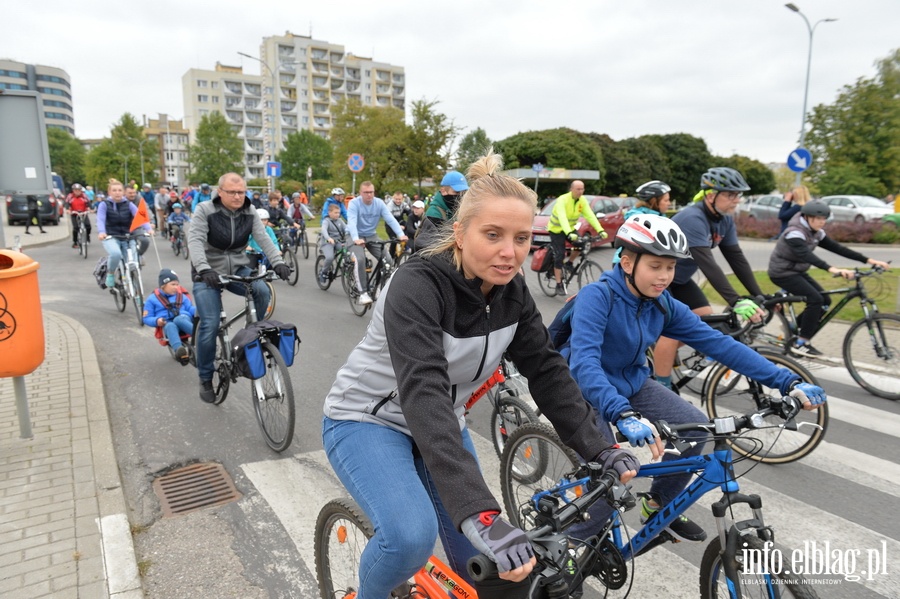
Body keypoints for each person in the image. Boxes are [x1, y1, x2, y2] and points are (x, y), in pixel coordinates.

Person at [322, 150, 639, 599]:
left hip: (442, 424)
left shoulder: (511, 290)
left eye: (522, 238)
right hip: (367, 420)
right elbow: (424, 391)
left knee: (495, 572)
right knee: (411, 538)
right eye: (493, 235)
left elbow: (546, 370)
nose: (509, 253)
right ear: (459, 232)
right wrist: (479, 512)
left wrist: (599, 446)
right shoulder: (417, 285)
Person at [563, 214, 827, 542]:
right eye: (655, 266)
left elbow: (719, 344)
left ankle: (658, 505)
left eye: (670, 267)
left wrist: (787, 381)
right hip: (584, 392)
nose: (664, 276)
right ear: (628, 262)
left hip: (631, 384)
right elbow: (585, 365)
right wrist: (623, 413)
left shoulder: (661, 304)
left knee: (696, 431)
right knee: (614, 472)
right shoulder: (597, 297)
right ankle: (569, 548)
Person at [652, 167, 766, 390]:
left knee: (706, 319)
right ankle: (662, 388)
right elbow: (709, 265)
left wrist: (758, 294)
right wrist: (735, 300)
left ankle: (660, 353)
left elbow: (736, 258)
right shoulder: (692, 218)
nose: (736, 200)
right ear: (711, 195)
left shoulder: (724, 220)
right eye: (730, 195)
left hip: (680, 278)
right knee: (673, 333)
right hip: (659, 279)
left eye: (738, 195)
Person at [188, 172, 292, 404]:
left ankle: (248, 337)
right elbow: (194, 241)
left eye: (241, 192)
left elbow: (263, 237)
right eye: (232, 192)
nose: (238, 196)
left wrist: (278, 262)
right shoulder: (205, 210)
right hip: (207, 272)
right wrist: (204, 269)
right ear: (220, 192)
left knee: (262, 290)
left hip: (237, 267)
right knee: (210, 324)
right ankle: (205, 377)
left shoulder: (249, 210)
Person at [768, 201, 891, 356]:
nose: (822, 222)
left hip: (797, 271)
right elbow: (806, 255)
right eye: (818, 218)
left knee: (825, 300)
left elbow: (838, 248)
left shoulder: (817, 232)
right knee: (815, 299)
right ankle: (801, 343)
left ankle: (794, 326)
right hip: (781, 273)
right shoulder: (794, 232)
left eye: (824, 218)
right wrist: (832, 269)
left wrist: (869, 260)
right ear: (807, 217)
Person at [347, 181, 408, 305]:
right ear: (360, 193)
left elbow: (390, 219)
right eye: (366, 192)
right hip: (354, 235)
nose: (369, 195)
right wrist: (356, 238)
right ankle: (363, 293)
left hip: (371, 235)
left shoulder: (379, 203)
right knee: (360, 259)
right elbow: (352, 222)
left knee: (388, 260)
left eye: (371, 192)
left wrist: (400, 235)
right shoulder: (354, 203)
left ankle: (380, 287)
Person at [547, 180, 607, 296]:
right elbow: (562, 217)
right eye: (578, 189)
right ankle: (558, 284)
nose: (581, 191)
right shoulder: (562, 200)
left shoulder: (582, 201)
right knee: (560, 254)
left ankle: (569, 263)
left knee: (580, 245)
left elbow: (590, 215)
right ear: (571, 189)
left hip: (570, 229)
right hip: (556, 229)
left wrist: (600, 230)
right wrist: (569, 232)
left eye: (582, 189)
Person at [97, 179, 152, 288]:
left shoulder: (129, 204)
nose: (117, 192)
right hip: (111, 236)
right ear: (109, 192)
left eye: (119, 190)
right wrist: (102, 232)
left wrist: (148, 228)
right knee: (116, 254)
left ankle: (133, 283)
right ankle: (111, 274)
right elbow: (100, 219)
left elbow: (140, 216)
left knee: (133, 263)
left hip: (128, 236)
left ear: (123, 192)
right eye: (114, 190)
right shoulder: (104, 205)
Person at [612, 180, 671, 264]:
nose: (669, 203)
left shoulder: (661, 216)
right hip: (627, 262)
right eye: (666, 200)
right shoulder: (637, 217)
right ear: (654, 201)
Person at [143, 269, 195, 363]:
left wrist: (199, 311)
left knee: (178, 319)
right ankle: (179, 350)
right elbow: (146, 318)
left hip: (183, 319)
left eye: (177, 284)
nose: (176, 287)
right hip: (167, 323)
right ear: (163, 285)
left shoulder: (181, 295)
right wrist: (157, 320)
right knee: (170, 325)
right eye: (172, 284)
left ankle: (199, 335)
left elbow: (189, 308)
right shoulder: (152, 299)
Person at [318, 203, 348, 284]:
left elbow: (347, 229)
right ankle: (323, 273)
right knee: (330, 257)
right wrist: (328, 238)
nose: (337, 214)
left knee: (347, 252)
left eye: (338, 213)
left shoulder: (340, 221)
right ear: (329, 213)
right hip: (328, 243)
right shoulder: (326, 221)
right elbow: (324, 230)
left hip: (338, 242)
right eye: (335, 213)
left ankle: (346, 267)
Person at [124, 185, 151, 257]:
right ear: (124, 193)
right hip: (123, 227)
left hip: (136, 225)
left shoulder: (139, 199)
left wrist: (152, 222)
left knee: (145, 241)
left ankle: (139, 255)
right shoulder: (120, 200)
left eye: (134, 193)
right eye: (130, 193)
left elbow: (145, 210)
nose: (132, 195)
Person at [385, 191, 411, 255]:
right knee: (394, 241)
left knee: (409, 230)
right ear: (393, 198)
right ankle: (391, 257)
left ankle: (405, 247)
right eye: (396, 199)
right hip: (390, 224)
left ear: (402, 199)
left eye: (399, 199)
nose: (398, 201)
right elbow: (389, 219)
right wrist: (398, 227)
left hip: (400, 221)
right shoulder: (390, 206)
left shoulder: (404, 204)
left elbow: (410, 213)